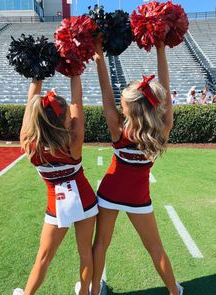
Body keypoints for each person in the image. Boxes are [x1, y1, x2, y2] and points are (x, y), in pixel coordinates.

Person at [91, 36, 183, 295]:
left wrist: (99, 56)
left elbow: (104, 91)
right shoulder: (162, 129)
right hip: (139, 198)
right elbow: (164, 88)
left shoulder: (117, 129)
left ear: (128, 108)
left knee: (101, 245)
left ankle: (94, 292)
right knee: (156, 248)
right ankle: (174, 292)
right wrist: (161, 49)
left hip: (109, 193)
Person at [13, 76, 98, 295]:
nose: (71, 116)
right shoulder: (74, 141)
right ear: (63, 122)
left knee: (43, 257)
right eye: (68, 116)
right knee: (85, 253)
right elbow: (77, 102)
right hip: (85, 200)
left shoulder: (28, 145)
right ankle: (84, 292)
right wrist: (75, 71)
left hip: (57, 205)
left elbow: (29, 111)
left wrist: (36, 78)